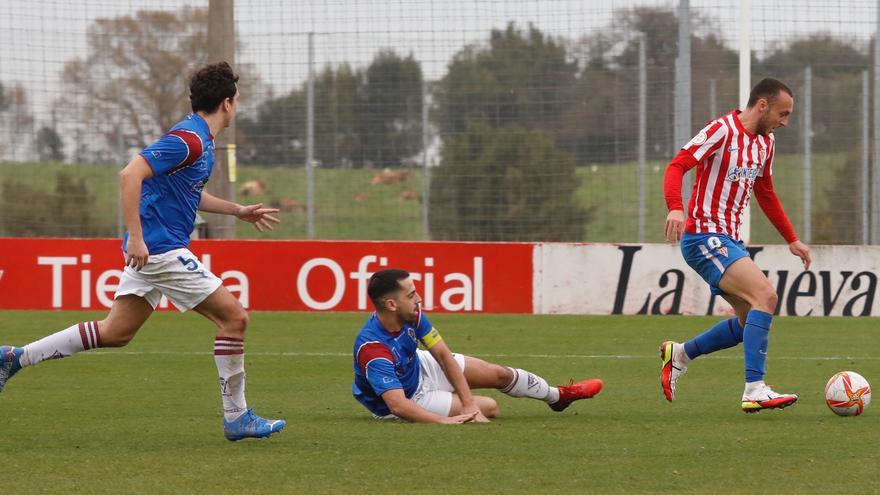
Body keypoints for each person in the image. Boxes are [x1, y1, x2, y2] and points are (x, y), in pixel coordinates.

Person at [0, 62, 286, 440]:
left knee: (116, 331)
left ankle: (13, 358)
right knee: (235, 319)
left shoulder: (199, 140)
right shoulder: (189, 140)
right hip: (159, 249)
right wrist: (136, 237)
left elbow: (189, 192)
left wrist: (239, 211)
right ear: (228, 103)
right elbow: (129, 174)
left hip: (154, 248)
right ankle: (237, 417)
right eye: (238, 100)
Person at [660, 77, 812, 413]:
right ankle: (755, 388)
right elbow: (677, 165)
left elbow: (766, 193)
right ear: (762, 105)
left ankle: (680, 353)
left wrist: (792, 239)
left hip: (729, 240)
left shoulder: (765, 144)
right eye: (782, 113)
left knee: (748, 324)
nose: (785, 122)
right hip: (703, 236)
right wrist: (675, 204)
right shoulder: (721, 130)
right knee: (767, 296)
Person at [352, 269, 603, 423]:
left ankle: (557, 397)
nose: (419, 299)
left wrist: (468, 402)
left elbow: (441, 354)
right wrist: (444, 422)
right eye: (411, 295)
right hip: (408, 398)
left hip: (418, 366)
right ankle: (446, 404)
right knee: (490, 408)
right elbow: (397, 404)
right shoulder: (373, 349)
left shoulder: (413, 314)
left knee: (498, 374)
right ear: (391, 305)